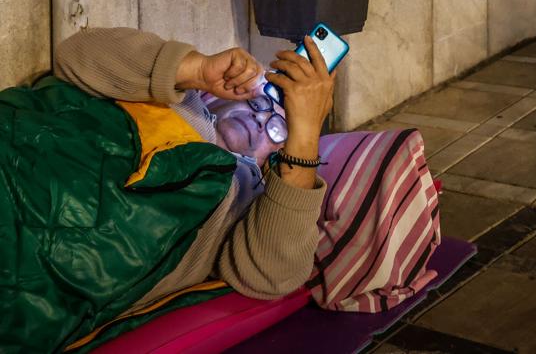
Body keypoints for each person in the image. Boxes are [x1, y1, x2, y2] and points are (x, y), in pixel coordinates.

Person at [0, 28, 440, 352]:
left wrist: (305, 135)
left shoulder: (240, 198)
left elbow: (273, 276)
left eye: (279, 130)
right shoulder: (170, 94)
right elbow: (74, 56)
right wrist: (193, 69)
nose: (264, 118)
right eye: (264, 101)